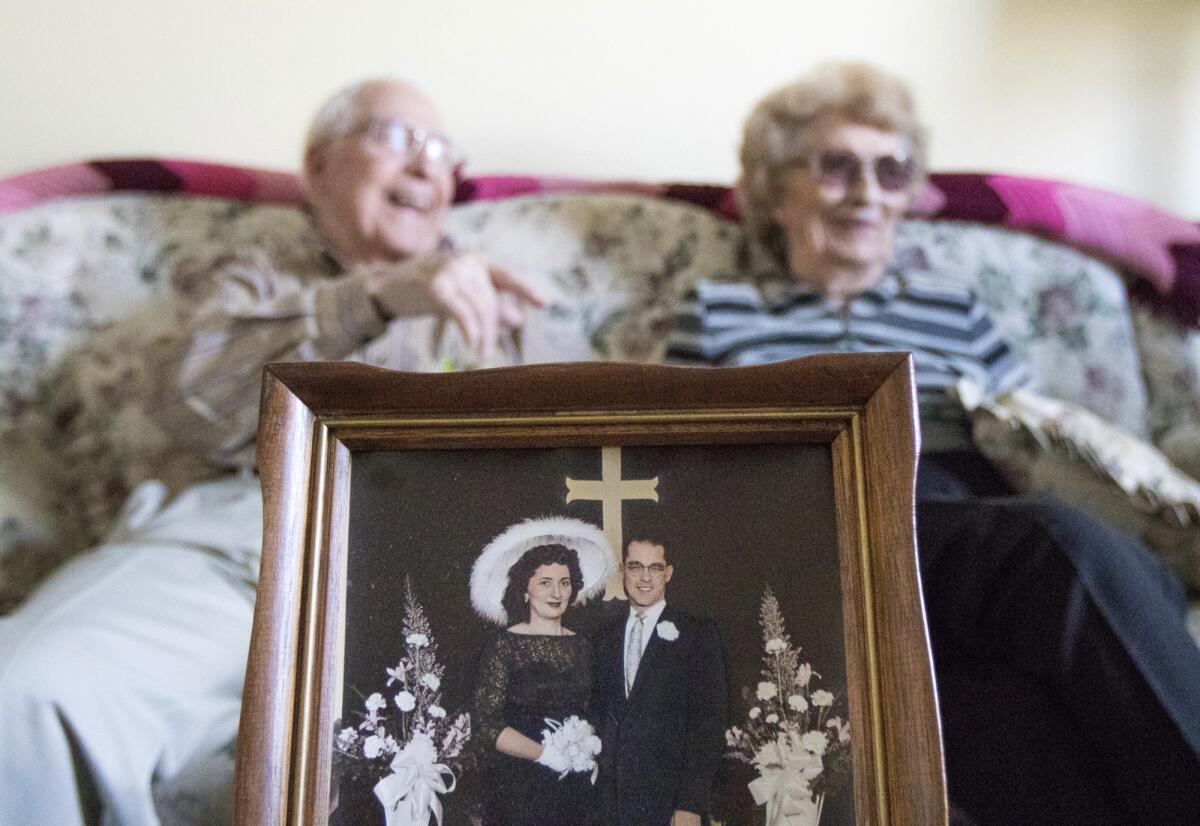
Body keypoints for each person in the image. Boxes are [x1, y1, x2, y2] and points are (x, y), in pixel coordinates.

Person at [667, 61, 1200, 824]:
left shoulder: (955, 312)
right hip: (835, 513)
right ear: (776, 188)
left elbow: (1033, 428)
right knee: (1057, 547)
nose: (868, 193)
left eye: (892, 172)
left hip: (975, 504)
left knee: (1024, 686)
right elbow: (677, 452)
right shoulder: (720, 311)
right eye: (838, 166)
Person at [0, 77, 544, 826]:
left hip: (438, 589)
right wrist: (382, 296)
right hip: (237, 559)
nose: (426, 168)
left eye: (442, 151)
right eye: (394, 138)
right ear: (318, 166)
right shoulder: (252, 277)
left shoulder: (496, 306)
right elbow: (193, 407)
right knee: (25, 699)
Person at [469, 517, 613, 826]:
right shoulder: (504, 646)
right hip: (519, 791)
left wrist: (589, 754)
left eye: (564, 582)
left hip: (575, 791)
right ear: (525, 590)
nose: (556, 592)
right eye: (545, 582)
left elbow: (599, 713)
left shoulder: (585, 646)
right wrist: (544, 755)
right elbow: (486, 726)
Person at [591, 538, 728, 826]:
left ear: (668, 573)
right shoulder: (603, 637)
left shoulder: (697, 634)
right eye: (635, 566)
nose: (644, 577)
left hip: (667, 806)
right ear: (622, 571)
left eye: (654, 568)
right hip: (608, 807)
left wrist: (690, 804)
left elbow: (708, 726)